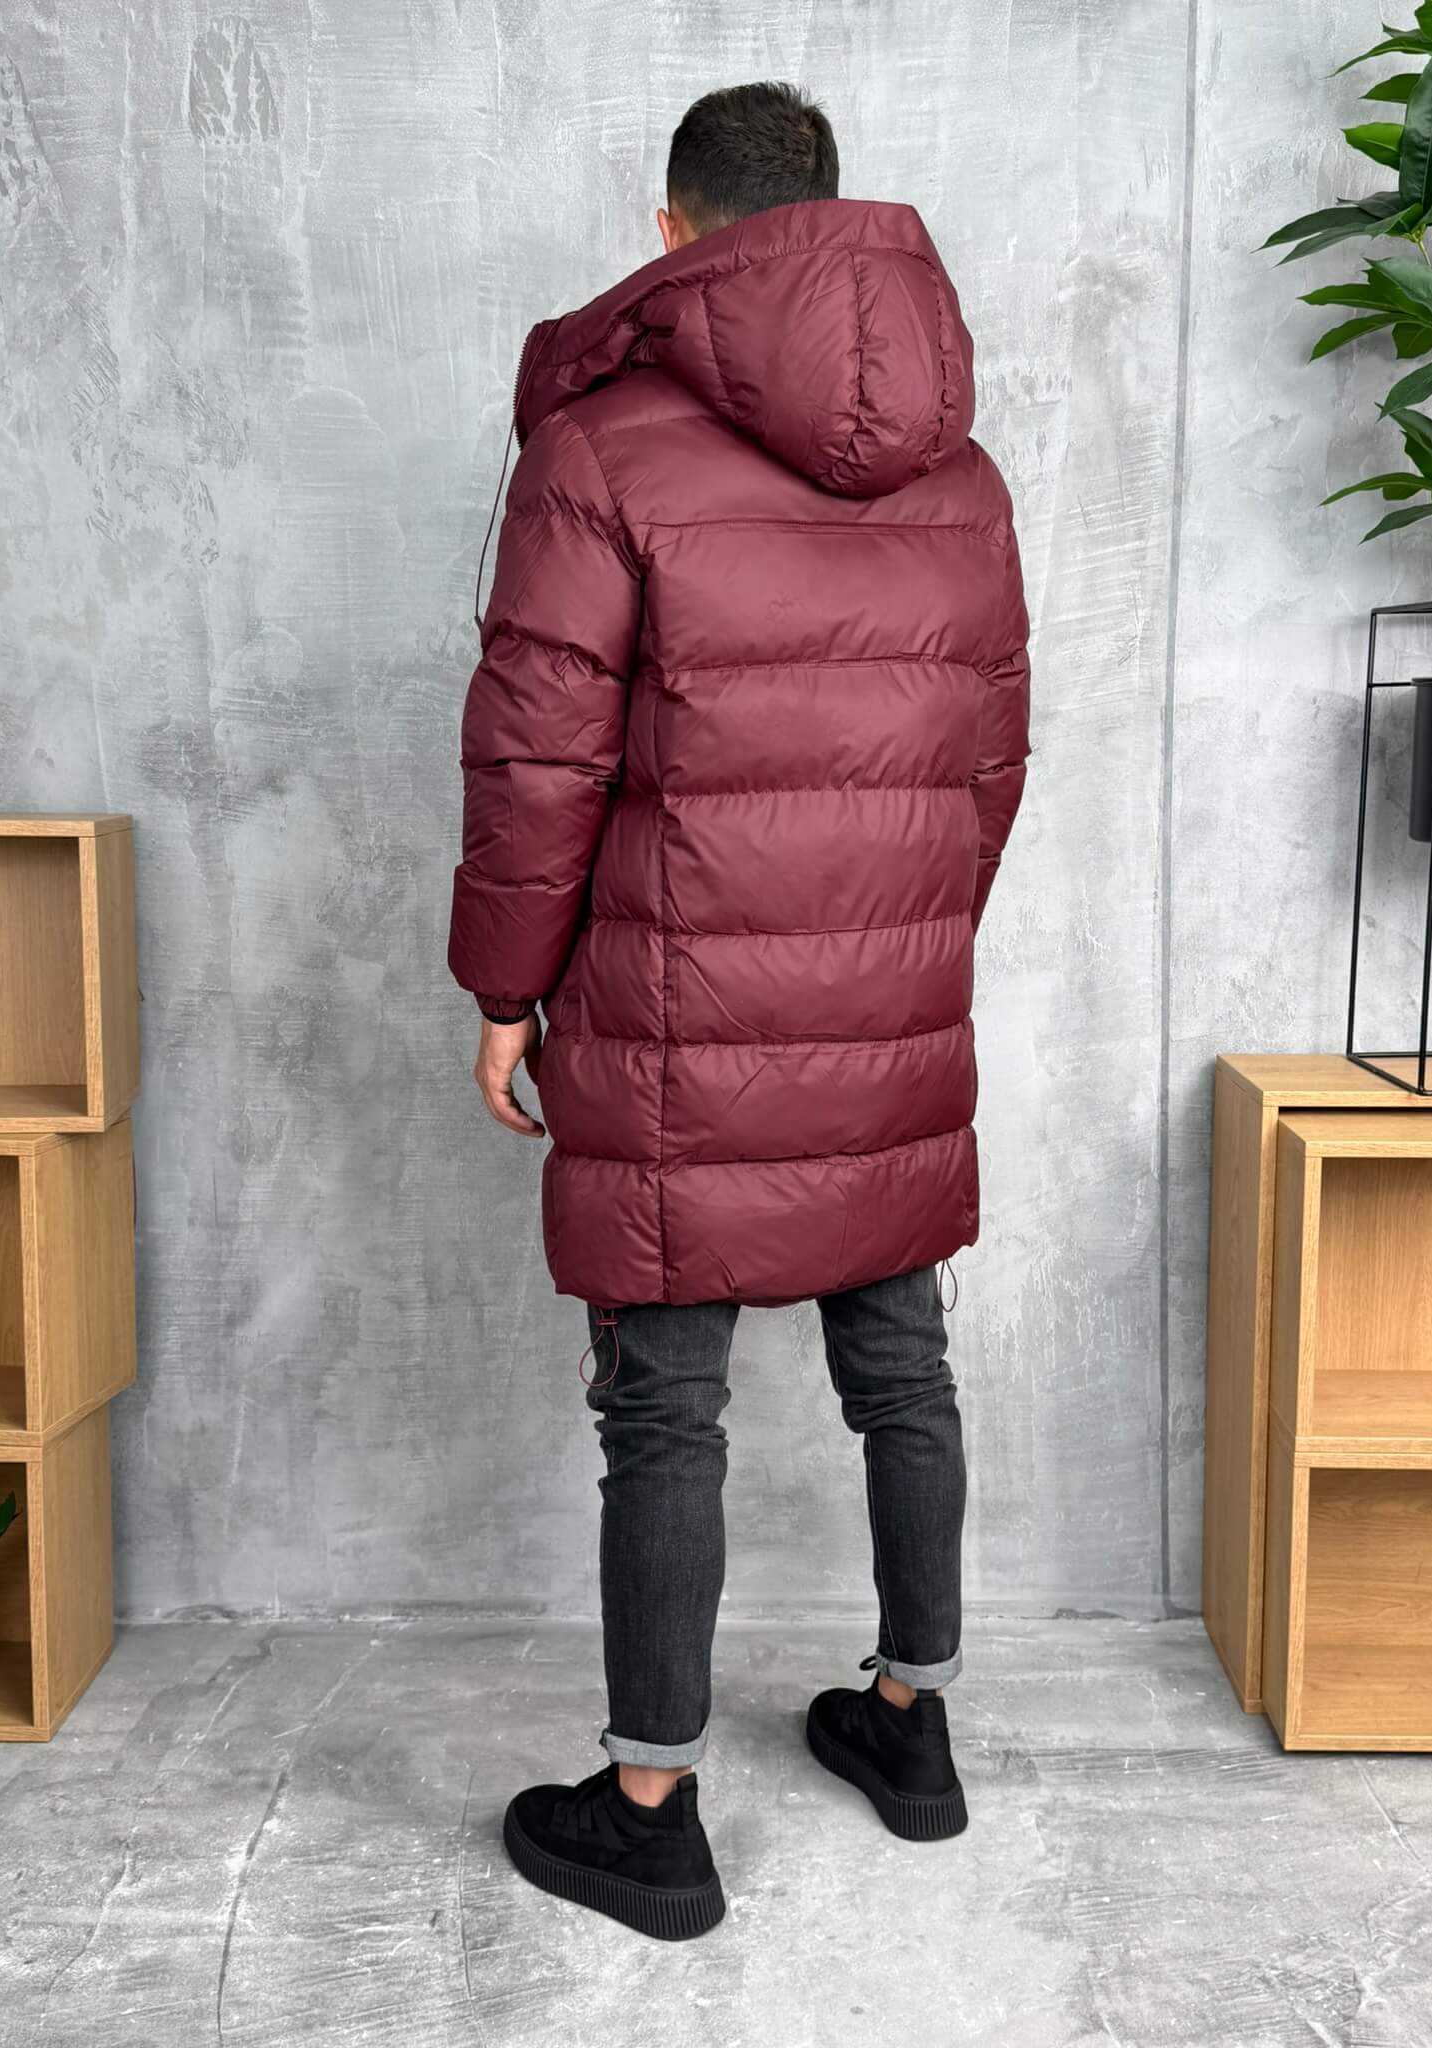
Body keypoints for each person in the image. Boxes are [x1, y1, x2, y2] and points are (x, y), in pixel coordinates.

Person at [449, 80, 1030, 1941]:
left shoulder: (600, 448)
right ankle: (913, 1728)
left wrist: (506, 987)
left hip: (672, 1011)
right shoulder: (963, 468)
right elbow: (991, 759)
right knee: (903, 1367)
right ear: (831, 216)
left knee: (666, 1410)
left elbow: (537, 757)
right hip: (890, 994)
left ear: (677, 232)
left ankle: (649, 1813)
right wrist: (904, 946)